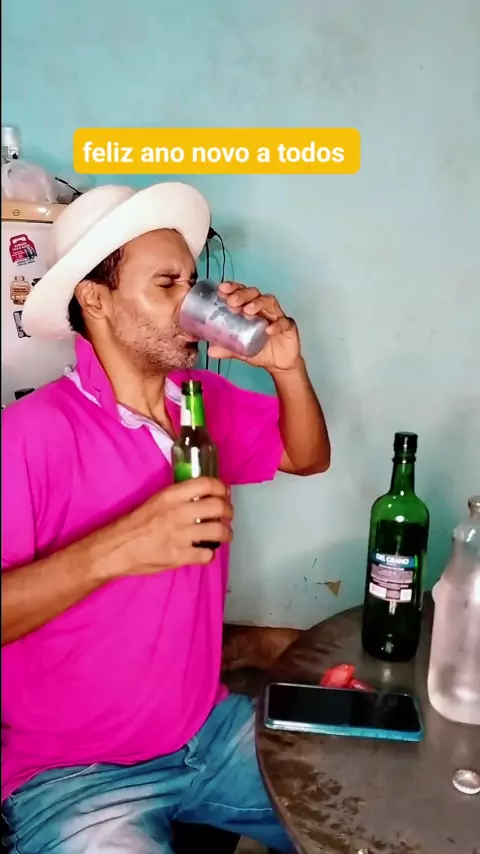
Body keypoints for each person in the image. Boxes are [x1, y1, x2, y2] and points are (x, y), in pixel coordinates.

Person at [1, 182, 330, 854]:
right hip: (74, 774)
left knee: (365, 819)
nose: (192, 304)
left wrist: (287, 369)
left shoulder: (201, 401)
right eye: (166, 284)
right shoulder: (29, 435)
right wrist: (120, 548)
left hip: (206, 732)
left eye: (192, 282)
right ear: (96, 300)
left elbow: (307, 457)